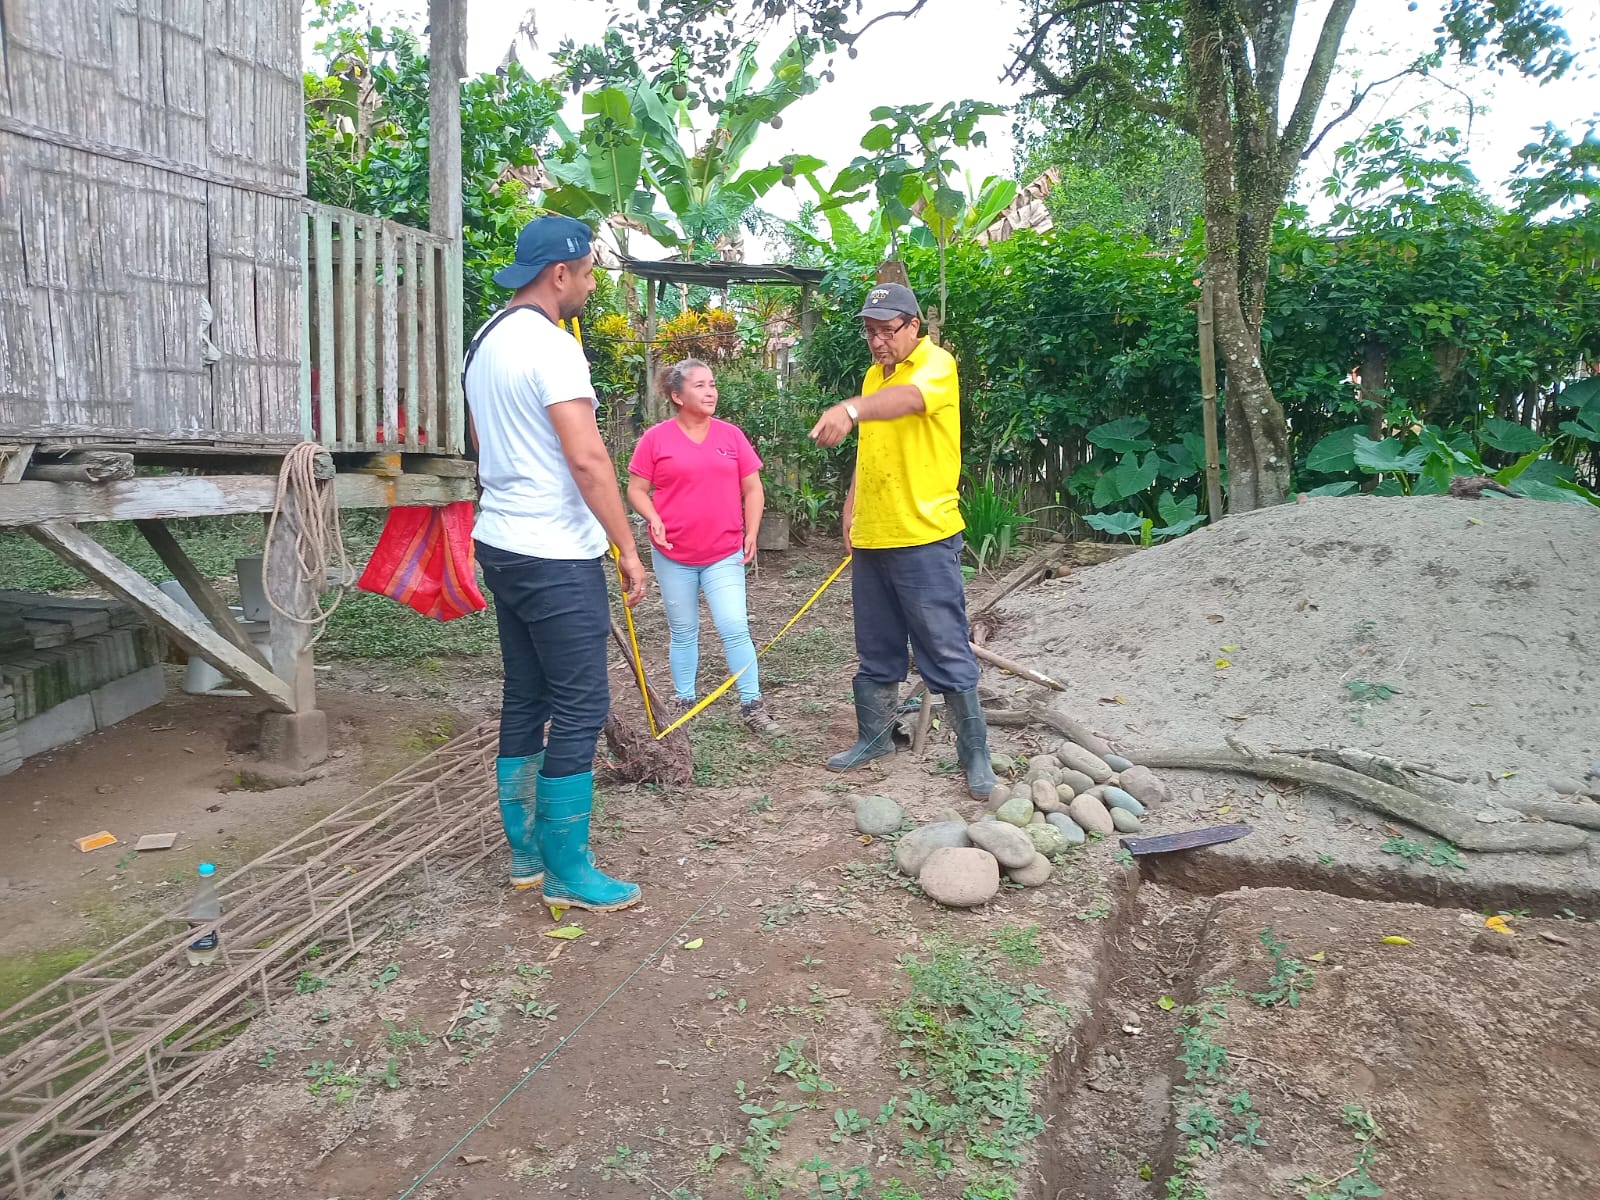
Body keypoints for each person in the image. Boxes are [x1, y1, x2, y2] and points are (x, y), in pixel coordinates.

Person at [466, 215, 647, 913]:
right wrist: (626, 547)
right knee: (582, 703)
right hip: (554, 552)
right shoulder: (552, 345)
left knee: (526, 694)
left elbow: (482, 442)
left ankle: (526, 854)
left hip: (501, 540)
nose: (593, 286)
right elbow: (587, 458)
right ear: (560, 273)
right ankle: (568, 869)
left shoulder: (484, 340)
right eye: (590, 273)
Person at [807, 282, 996, 801]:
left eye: (887, 331)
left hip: (924, 535)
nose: (877, 341)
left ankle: (975, 758)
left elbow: (908, 400)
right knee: (876, 645)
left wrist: (849, 409)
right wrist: (852, 505)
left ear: (914, 326)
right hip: (875, 534)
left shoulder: (937, 364)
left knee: (945, 646)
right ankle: (875, 740)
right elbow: (873, 447)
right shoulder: (874, 376)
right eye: (870, 332)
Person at [627, 359, 781, 736]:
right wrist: (653, 517)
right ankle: (685, 703)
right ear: (677, 396)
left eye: (712, 384)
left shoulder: (731, 436)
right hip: (673, 553)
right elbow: (636, 490)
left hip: (724, 551)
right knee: (683, 630)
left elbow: (753, 489)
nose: (710, 392)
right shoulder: (656, 439)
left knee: (734, 625)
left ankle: (752, 705)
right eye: (700, 386)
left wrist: (751, 532)